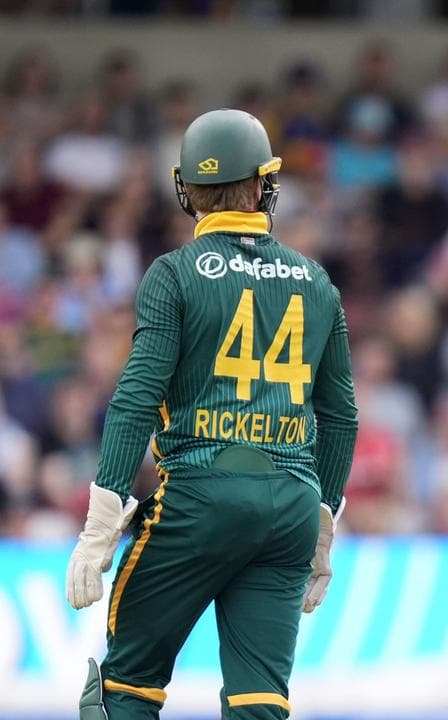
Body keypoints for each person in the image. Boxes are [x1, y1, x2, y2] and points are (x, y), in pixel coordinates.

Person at [64, 109, 359, 720]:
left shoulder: (173, 273)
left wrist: (103, 514)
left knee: (125, 689)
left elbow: (137, 396)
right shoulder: (316, 281)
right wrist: (324, 518)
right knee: (260, 701)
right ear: (261, 185)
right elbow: (341, 416)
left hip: (199, 498)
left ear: (187, 189)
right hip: (291, 507)